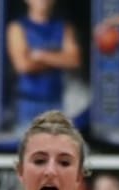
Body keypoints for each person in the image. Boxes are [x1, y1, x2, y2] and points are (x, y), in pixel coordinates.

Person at [6, 0, 82, 129]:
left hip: (57, 103)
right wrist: (59, 59)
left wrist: (40, 55)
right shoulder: (18, 27)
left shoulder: (63, 27)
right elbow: (24, 66)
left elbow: (74, 60)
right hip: (28, 103)